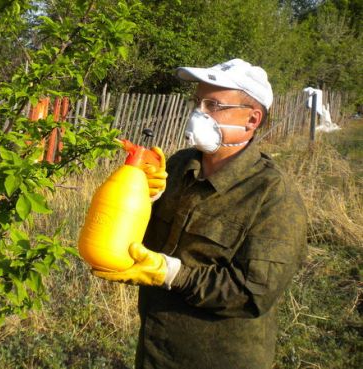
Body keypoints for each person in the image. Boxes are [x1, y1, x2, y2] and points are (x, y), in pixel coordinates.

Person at [93, 58, 308, 369]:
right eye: (197, 102)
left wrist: (172, 274)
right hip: (155, 349)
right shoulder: (178, 166)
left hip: (218, 357)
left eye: (213, 105)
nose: (198, 113)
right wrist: (141, 199)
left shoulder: (272, 196)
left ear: (251, 120)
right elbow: (137, 242)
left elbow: (252, 294)